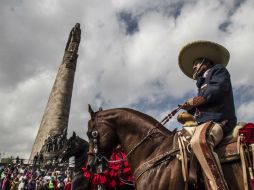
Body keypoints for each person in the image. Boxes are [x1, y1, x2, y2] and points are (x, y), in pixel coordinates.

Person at [178, 40, 237, 190]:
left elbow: (217, 90)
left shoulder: (218, 71)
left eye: (196, 63)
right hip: (203, 122)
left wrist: (194, 101)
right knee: (178, 144)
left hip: (220, 119)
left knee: (199, 142)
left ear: (206, 61)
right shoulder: (203, 83)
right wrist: (188, 109)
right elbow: (202, 103)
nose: (193, 67)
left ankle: (218, 186)